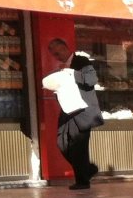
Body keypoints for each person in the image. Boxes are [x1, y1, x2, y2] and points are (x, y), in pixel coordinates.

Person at [43, 38, 103, 190]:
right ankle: (87, 169)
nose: (58, 56)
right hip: (68, 110)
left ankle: (83, 181)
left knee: (79, 146)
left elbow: (91, 79)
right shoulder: (61, 68)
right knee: (62, 143)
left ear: (65, 48)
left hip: (82, 111)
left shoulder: (81, 61)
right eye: (54, 55)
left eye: (58, 52)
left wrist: (71, 73)